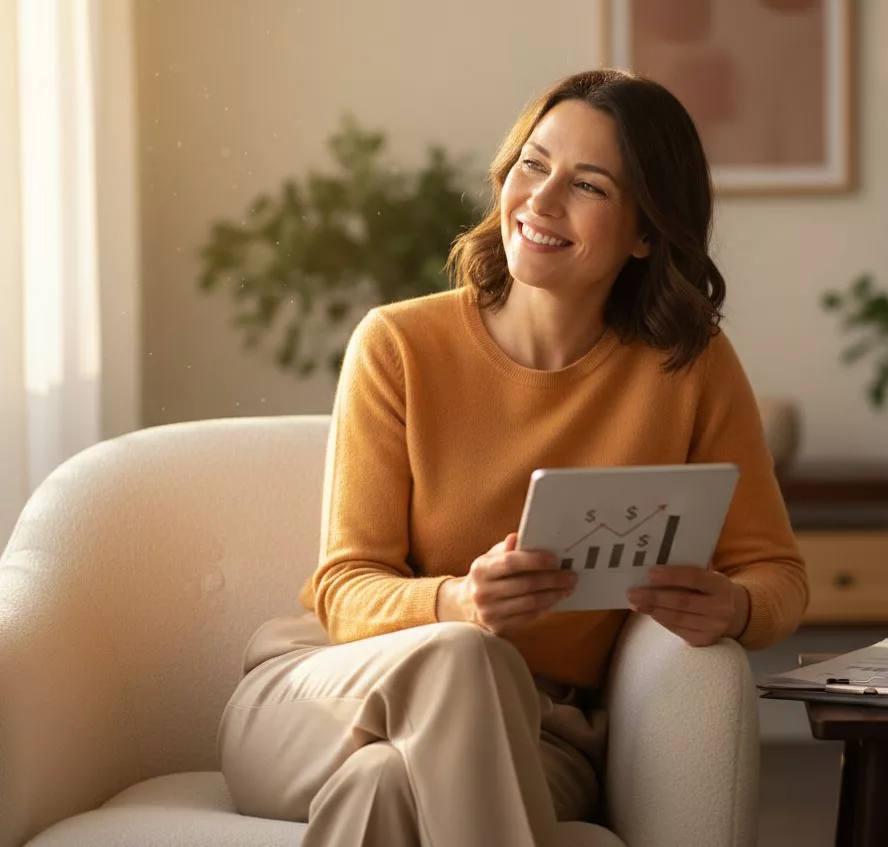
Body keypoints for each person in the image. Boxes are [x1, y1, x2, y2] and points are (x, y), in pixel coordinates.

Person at [217, 69, 808, 847]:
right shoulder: (399, 345)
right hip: (325, 701)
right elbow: (344, 587)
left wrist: (731, 607)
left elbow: (778, 576)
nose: (542, 199)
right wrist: (462, 604)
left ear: (643, 231)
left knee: (387, 787)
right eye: (533, 164)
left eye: (589, 185)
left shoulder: (688, 368)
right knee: (465, 656)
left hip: (540, 734)